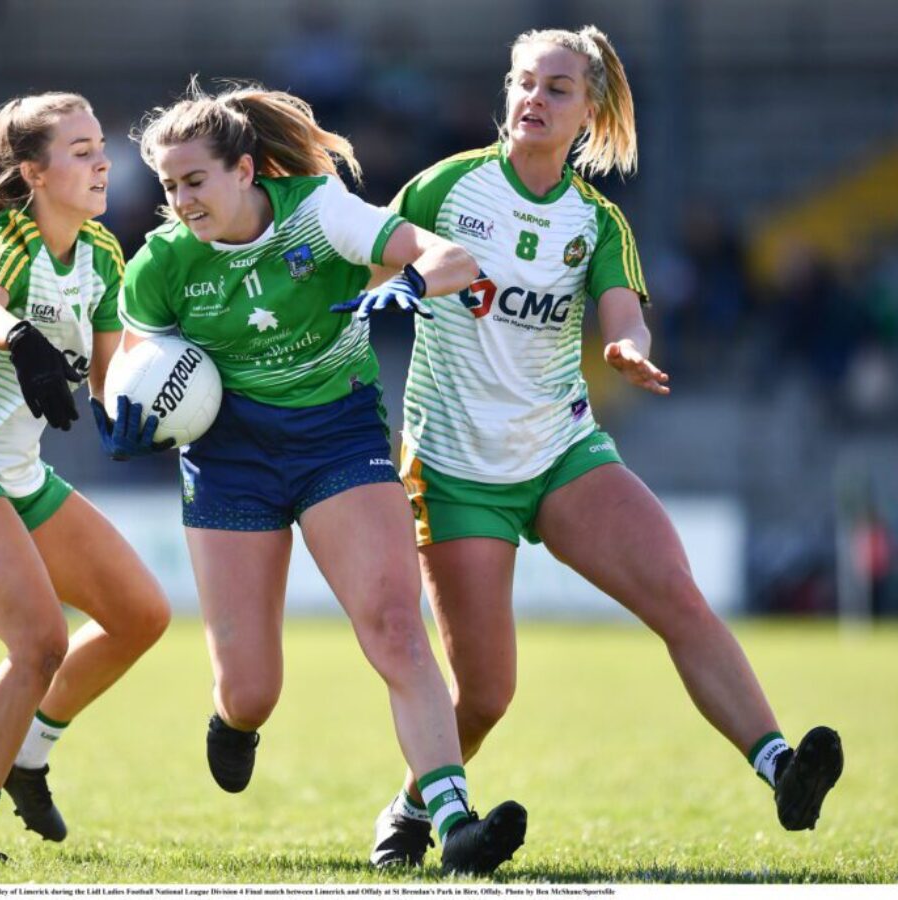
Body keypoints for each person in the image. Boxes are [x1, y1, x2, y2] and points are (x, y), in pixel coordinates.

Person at [365, 25, 844, 868]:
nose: (532, 100)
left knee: (678, 594)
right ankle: (409, 812)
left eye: (555, 88)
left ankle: (778, 765)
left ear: (588, 111)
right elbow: (369, 260)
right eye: (522, 83)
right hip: (456, 468)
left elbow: (623, 305)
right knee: (485, 695)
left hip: (562, 450)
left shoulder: (595, 220)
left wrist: (626, 344)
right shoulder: (447, 187)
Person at [112, 80, 525, 875]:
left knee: (396, 627)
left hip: (339, 437)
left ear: (245, 171)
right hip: (230, 458)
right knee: (252, 691)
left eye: (194, 180)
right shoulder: (159, 265)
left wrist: (407, 281)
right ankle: (233, 719)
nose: (181, 200)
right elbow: (135, 365)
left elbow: (451, 259)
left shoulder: (320, 210)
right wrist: (123, 418)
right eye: (168, 187)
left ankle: (451, 818)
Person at [0, 92, 172, 864]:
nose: (101, 160)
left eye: (99, 147)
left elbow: (110, 378)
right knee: (40, 643)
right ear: (33, 172)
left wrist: (138, 415)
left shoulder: (105, 254)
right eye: (79, 150)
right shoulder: (7, 242)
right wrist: (18, 335)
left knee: (143, 615)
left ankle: (29, 755)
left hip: (16, 474)